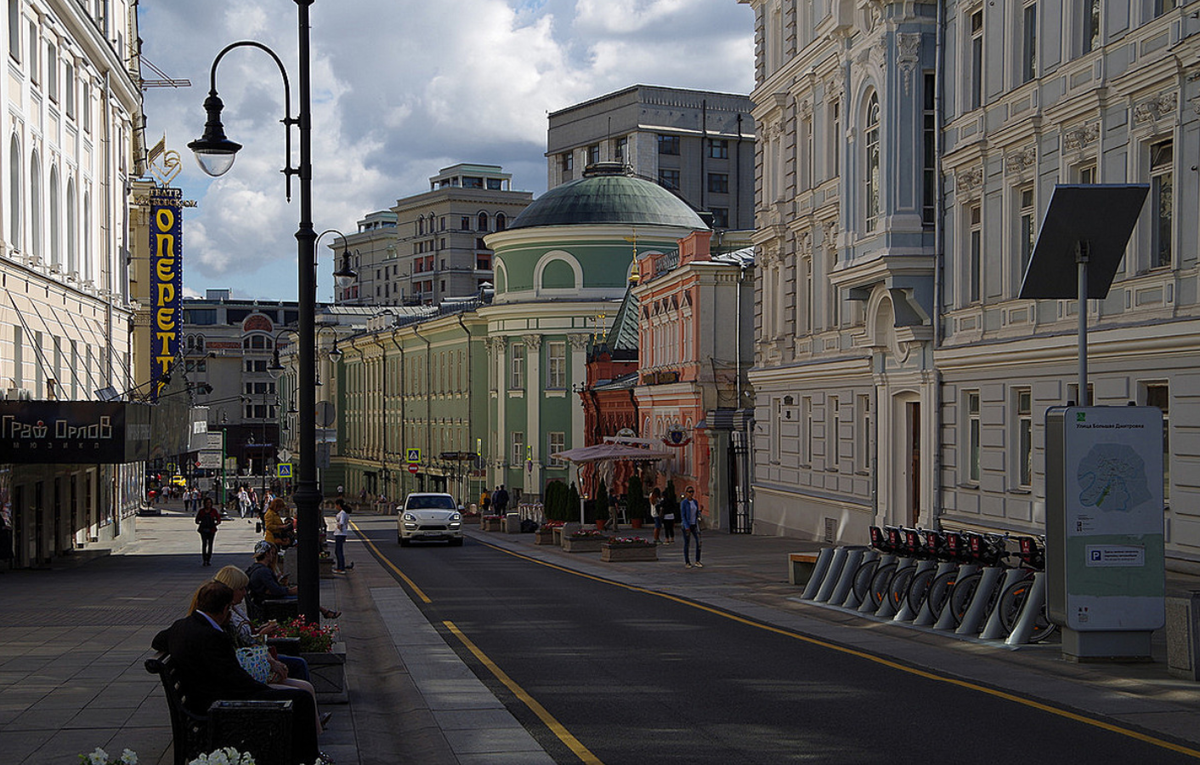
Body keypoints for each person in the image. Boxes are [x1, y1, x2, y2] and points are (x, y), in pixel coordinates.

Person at [152, 581, 322, 765]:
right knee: (302, 698)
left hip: (201, 696)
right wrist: (266, 688)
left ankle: (300, 756)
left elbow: (158, 641)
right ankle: (308, 759)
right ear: (225, 609)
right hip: (217, 702)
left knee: (297, 694)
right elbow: (237, 682)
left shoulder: (181, 626)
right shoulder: (213, 637)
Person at [205, 566, 329, 734]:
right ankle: (309, 725)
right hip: (251, 674)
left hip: (255, 664)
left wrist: (261, 636)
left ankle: (312, 725)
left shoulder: (233, 610)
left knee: (304, 682)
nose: (244, 593)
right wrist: (263, 641)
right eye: (241, 589)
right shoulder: (225, 621)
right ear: (230, 590)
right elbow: (245, 647)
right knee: (299, 673)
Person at [247, 541, 339, 620]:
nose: (273, 556)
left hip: (265, 602)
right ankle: (322, 614)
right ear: (267, 554)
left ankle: (324, 612)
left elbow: (271, 589)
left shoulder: (255, 569)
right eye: (272, 553)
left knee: (305, 598)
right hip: (269, 605)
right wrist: (290, 591)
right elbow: (276, 591)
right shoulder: (263, 571)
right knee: (304, 600)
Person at [680, 485, 703, 568]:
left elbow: (696, 513)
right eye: (689, 492)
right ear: (686, 493)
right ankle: (687, 562)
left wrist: (700, 512)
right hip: (687, 526)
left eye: (692, 491)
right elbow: (683, 516)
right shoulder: (684, 503)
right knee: (687, 543)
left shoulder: (695, 502)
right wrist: (686, 527)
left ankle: (697, 560)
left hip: (694, 524)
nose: (691, 493)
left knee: (698, 541)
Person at [195, 496, 222, 566]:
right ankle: (204, 559)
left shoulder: (214, 511)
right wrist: (200, 522)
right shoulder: (201, 511)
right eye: (207, 503)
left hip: (211, 529)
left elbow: (218, 519)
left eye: (209, 503)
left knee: (210, 544)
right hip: (203, 529)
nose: (208, 504)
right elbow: (197, 520)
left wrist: (216, 523)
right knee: (204, 544)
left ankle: (208, 559)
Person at [332, 499, 354, 573]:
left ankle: (341, 568)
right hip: (342, 533)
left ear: (339, 505)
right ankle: (340, 567)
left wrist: (339, 527)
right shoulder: (344, 513)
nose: (335, 506)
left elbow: (341, 522)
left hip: (340, 533)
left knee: (338, 551)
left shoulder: (342, 513)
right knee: (338, 551)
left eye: (336, 505)